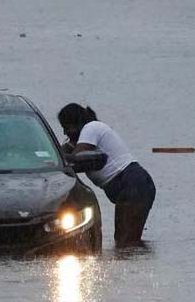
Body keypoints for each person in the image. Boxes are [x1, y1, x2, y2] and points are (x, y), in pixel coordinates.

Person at [58, 103, 156, 247]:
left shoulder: (91, 127)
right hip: (135, 185)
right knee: (126, 243)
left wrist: (59, 157)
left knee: (126, 242)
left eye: (66, 127)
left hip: (132, 183)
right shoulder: (88, 134)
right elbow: (65, 154)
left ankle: (139, 267)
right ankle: (139, 265)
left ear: (76, 122)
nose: (65, 133)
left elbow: (76, 159)